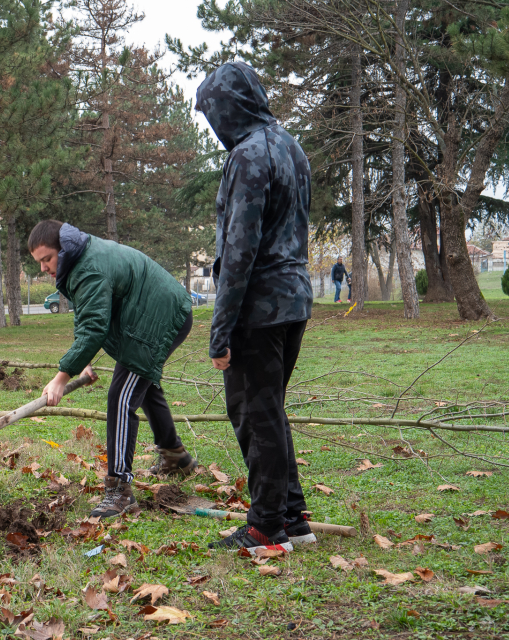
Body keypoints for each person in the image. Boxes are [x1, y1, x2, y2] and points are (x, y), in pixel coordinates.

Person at [197, 61, 315, 553]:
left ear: (229, 106)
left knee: (252, 413)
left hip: (258, 306)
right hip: (294, 299)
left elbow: (238, 251)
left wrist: (220, 332)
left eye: (213, 113)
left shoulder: (247, 156)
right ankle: (293, 515)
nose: (214, 125)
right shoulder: (292, 146)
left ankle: (267, 527)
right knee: (269, 411)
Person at [29, 220, 198, 519]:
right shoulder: (79, 258)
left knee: (121, 397)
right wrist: (84, 359)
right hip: (152, 313)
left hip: (158, 317)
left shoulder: (88, 267)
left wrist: (61, 377)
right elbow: (88, 315)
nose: (43, 268)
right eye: (39, 262)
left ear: (63, 250)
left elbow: (94, 327)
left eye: (47, 259)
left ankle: (119, 490)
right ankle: (176, 456)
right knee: (142, 386)